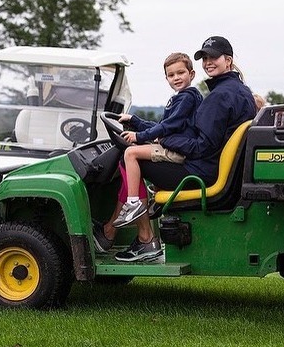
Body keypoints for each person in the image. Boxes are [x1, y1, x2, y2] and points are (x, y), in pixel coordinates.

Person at [93, 36, 257, 262]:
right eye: (205, 58)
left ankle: (143, 239)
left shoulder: (219, 97)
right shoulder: (240, 91)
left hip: (201, 173)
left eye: (214, 57)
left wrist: (162, 140)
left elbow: (200, 147)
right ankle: (125, 232)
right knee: (134, 158)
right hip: (213, 168)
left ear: (228, 60)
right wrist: (145, 127)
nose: (208, 62)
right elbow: (185, 131)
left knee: (130, 159)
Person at [110, 52, 203, 229]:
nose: (176, 78)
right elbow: (163, 125)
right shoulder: (182, 98)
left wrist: (139, 136)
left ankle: (133, 203)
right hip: (175, 146)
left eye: (180, 73)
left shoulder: (187, 98)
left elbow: (167, 126)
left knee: (130, 153)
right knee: (138, 150)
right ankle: (150, 197)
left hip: (178, 151)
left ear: (191, 74)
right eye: (171, 75)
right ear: (166, 78)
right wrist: (134, 121)